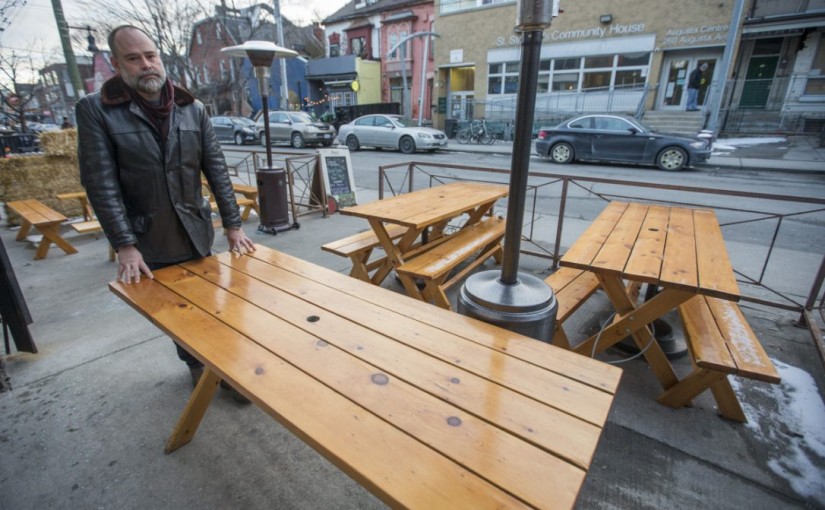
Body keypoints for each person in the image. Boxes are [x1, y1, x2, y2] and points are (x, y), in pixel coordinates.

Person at [76, 25, 255, 397]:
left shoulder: (193, 107)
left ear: (160, 57)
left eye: (150, 55)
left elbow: (216, 168)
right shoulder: (97, 110)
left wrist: (233, 225)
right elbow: (100, 183)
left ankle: (224, 365)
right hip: (149, 237)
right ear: (117, 64)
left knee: (214, 303)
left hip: (196, 229)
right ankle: (198, 368)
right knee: (178, 313)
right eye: (133, 58)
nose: (145, 65)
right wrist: (125, 244)